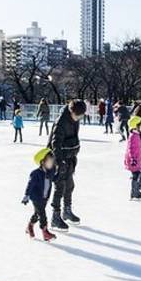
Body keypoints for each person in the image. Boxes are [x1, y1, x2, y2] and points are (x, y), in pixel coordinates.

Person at [48, 99, 86, 231]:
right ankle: (55, 217)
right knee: (60, 187)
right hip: (58, 159)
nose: (80, 118)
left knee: (69, 185)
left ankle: (67, 211)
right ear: (71, 112)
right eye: (78, 115)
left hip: (69, 157)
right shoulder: (61, 123)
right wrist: (59, 162)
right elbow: (55, 144)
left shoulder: (75, 120)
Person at [21, 148, 57, 241]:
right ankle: (45, 233)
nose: (51, 163)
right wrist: (26, 195)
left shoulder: (51, 172)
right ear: (42, 162)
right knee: (42, 214)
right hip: (36, 198)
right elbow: (30, 185)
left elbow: (55, 178)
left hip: (45, 197)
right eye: (49, 161)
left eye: (52, 161)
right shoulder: (35, 174)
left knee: (37, 214)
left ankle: (29, 226)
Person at [125, 116, 141, 200]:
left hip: (136, 158)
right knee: (136, 175)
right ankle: (134, 192)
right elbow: (130, 148)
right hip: (133, 159)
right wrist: (133, 158)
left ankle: (136, 191)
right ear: (136, 126)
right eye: (140, 125)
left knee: (137, 174)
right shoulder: (133, 136)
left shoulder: (136, 135)